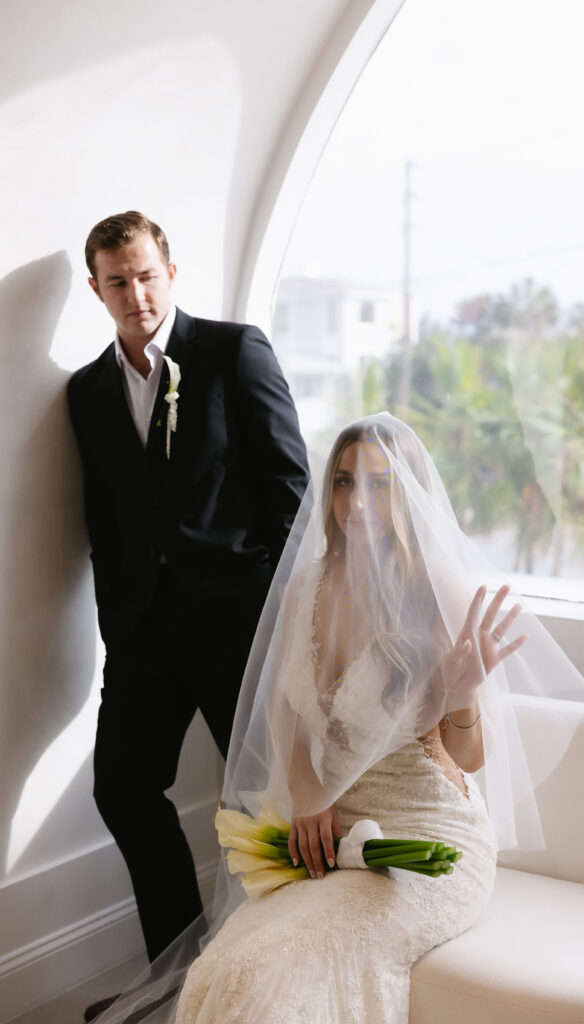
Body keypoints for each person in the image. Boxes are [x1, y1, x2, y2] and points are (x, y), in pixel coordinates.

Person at [93, 413, 584, 1024]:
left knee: (281, 979)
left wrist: (463, 695)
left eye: (379, 485)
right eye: (345, 482)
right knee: (226, 966)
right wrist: (306, 789)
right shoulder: (307, 585)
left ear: (407, 494)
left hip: (427, 835)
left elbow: (467, 759)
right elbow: (288, 710)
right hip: (329, 830)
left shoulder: (438, 592)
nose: (357, 502)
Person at [67, 211, 309, 1020]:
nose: (135, 294)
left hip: (240, 623)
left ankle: (284, 980)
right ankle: (182, 973)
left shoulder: (234, 351)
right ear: (94, 289)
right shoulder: (87, 392)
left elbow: (292, 494)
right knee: (123, 791)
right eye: (116, 281)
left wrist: (281, 616)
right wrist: (115, 620)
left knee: (270, 804)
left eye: (145, 275)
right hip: (142, 636)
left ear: (170, 271)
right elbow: (105, 516)